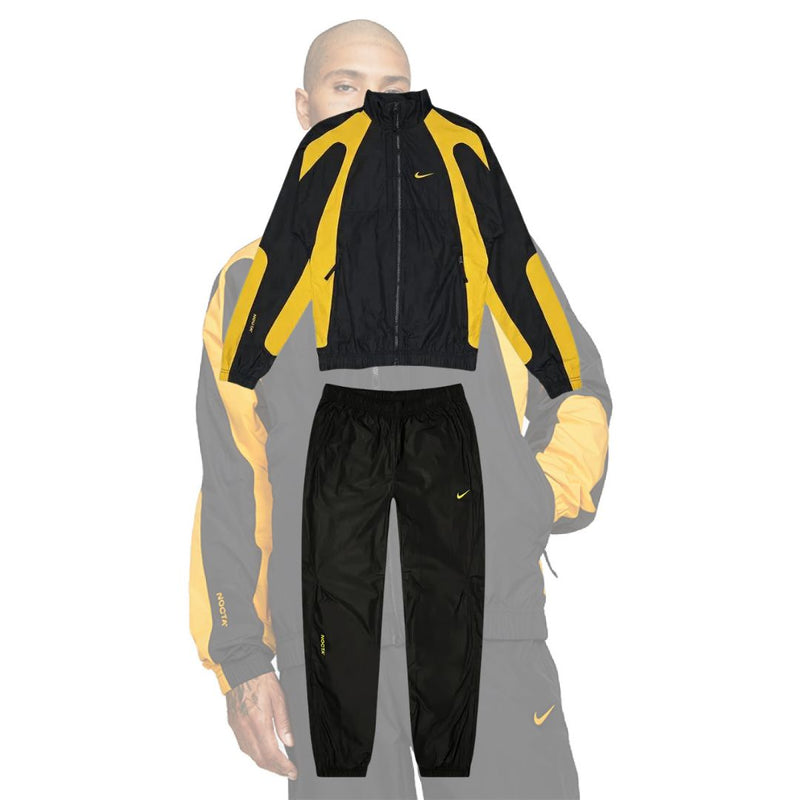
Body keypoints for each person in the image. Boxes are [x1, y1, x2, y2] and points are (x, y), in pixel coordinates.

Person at [190, 18, 612, 799]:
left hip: (488, 629)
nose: (367, 109)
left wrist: (527, 498)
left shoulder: (486, 254)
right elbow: (234, 482)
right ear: (304, 106)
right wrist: (242, 660)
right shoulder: (252, 283)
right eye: (343, 87)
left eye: (389, 92)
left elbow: (576, 384)